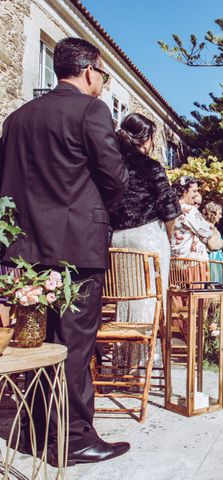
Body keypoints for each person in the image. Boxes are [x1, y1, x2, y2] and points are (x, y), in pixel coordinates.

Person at [0, 37, 130, 463]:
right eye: (103, 75)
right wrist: (97, 212)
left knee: (35, 341)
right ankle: (73, 438)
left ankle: (35, 426)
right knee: (74, 344)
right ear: (90, 70)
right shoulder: (92, 110)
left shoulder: (16, 119)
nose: (101, 83)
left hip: (24, 251)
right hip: (76, 248)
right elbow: (116, 178)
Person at [109, 113, 181, 368]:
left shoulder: (111, 166)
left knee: (125, 299)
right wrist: (166, 237)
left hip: (116, 239)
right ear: (146, 138)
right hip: (148, 236)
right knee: (149, 300)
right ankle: (141, 365)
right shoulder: (151, 167)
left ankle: (122, 363)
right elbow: (170, 210)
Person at [170, 176, 216, 261]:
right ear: (184, 191)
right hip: (192, 262)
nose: (196, 194)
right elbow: (207, 232)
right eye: (194, 191)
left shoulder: (171, 209)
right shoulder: (189, 210)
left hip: (175, 261)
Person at [201, 201, 223, 284]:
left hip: (218, 259)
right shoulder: (208, 227)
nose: (221, 216)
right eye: (219, 213)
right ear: (212, 213)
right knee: (216, 287)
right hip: (213, 261)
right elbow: (212, 246)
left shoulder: (213, 227)